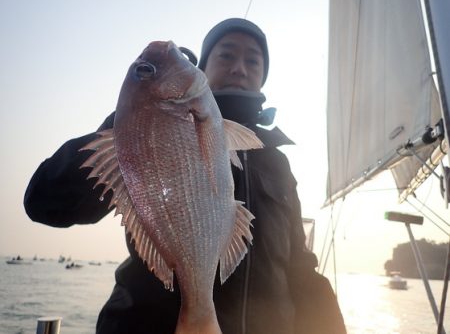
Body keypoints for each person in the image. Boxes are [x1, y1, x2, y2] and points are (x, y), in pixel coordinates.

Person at [24, 18, 346, 334]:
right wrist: (130, 121)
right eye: (227, 55)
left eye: (253, 60)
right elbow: (43, 203)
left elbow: (301, 269)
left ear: (263, 75)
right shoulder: (136, 128)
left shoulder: (277, 163)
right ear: (202, 67)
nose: (240, 67)